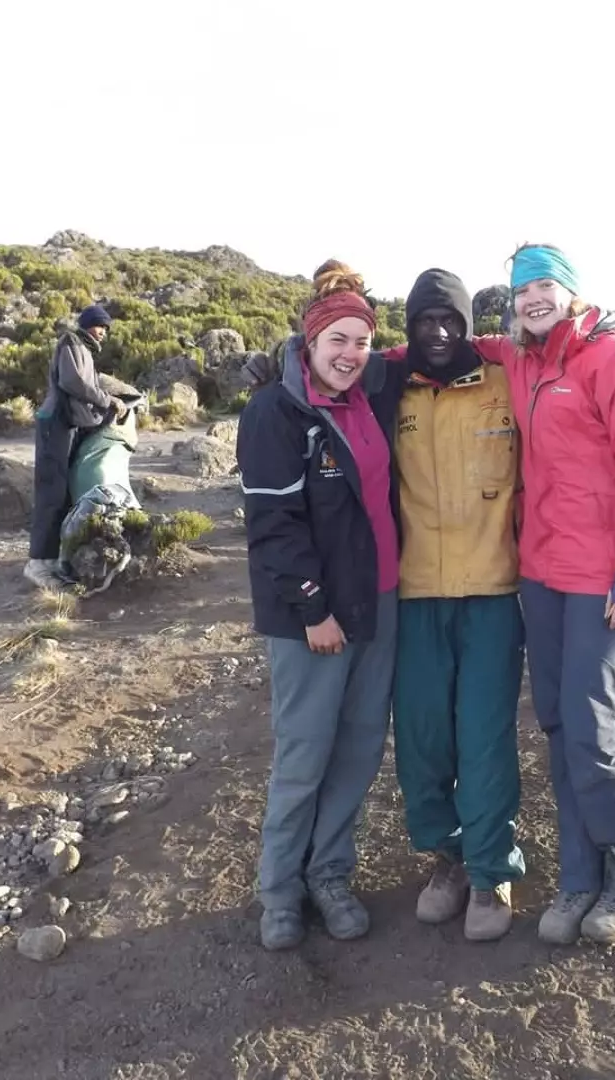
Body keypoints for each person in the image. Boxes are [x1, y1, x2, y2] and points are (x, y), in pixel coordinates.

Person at [498, 243, 615, 947]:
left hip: (604, 580)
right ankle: (580, 874)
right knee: (556, 722)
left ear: (571, 291)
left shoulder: (613, 362)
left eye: (545, 284)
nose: (533, 298)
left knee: (592, 726)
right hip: (541, 573)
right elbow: (456, 347)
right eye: (521, 290)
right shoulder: (522, 361)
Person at [236, 261, 406, 952]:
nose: (349, 354)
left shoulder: (372, 395)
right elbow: (273, 527)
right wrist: (312, 610)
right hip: (314, 617)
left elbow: (445, 346)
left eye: (360, 342)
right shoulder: (276, 412)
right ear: (308, 342)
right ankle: (279, 890)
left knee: (361, 748)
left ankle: (329, 872)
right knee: (306, 752)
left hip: (381, 603)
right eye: (336, 339)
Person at [389, 269, 526, 942]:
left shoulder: (506, 381)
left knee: (483, 736)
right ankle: (447, 858)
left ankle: (491, 867)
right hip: (415, 595)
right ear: (409, 328)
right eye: (424, 322)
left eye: (450, 321)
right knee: (421, 737)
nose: (438, 333)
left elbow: (569, 368)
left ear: (470, 327)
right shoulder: (390, 388)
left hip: (493, 592)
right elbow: (330, 368)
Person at [26, 304, 130, 589]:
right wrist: (107, 400)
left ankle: (56, 558)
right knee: (52, 491)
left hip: (66, 426)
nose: (104, 333)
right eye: (100, 327)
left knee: (64, 491)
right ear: (88, 324)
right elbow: (73, 382)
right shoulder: (72, 342)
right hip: (54, 425)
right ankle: (38, 564)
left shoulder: (84, 349)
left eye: (106, 329)